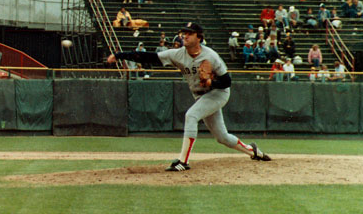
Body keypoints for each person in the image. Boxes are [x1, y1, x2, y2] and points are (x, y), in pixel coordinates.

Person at [107, 22, 271, 171]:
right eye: (184, 33)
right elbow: (149, 57)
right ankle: (253, 151)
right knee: (222, 137)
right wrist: (120, 55)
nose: (184, 36)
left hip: (218, 93)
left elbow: (227, 81)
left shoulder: (210, 56)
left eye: (189, 33)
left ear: (199, 37)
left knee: (191, 115)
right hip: (201, 96)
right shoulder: (178, 54)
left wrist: (211, 84)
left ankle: (183, 161)